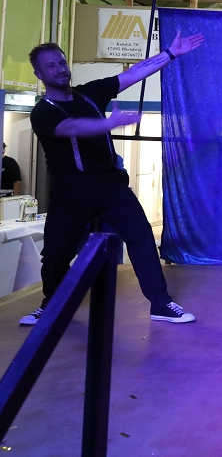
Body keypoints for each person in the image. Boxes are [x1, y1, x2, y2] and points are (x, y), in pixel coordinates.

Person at [21, 33, 204, 326]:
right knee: (55, 254)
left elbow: (132, 74)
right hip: (71, 190)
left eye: (62, 62)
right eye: (51, 66)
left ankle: (160, 303)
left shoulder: (89, 93)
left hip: (109, 184)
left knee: (141, 235)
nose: (60, 69)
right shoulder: (42, 112)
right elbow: (71, 128)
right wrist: (108, 124)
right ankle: (51, 305)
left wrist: (171, 53)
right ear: (39, 74)